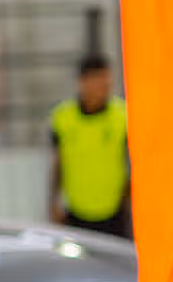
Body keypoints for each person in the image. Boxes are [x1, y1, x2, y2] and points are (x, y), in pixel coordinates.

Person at [49, 55, 131, 237]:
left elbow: (134, 164)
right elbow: (57, 164)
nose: (104, 87)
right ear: (83, 82)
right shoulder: (62, 118)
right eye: (98, 82)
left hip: (114, 213)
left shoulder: (123, 117)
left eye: (106, 82)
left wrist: (128, 202)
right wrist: (53, 203)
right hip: (76, 212)